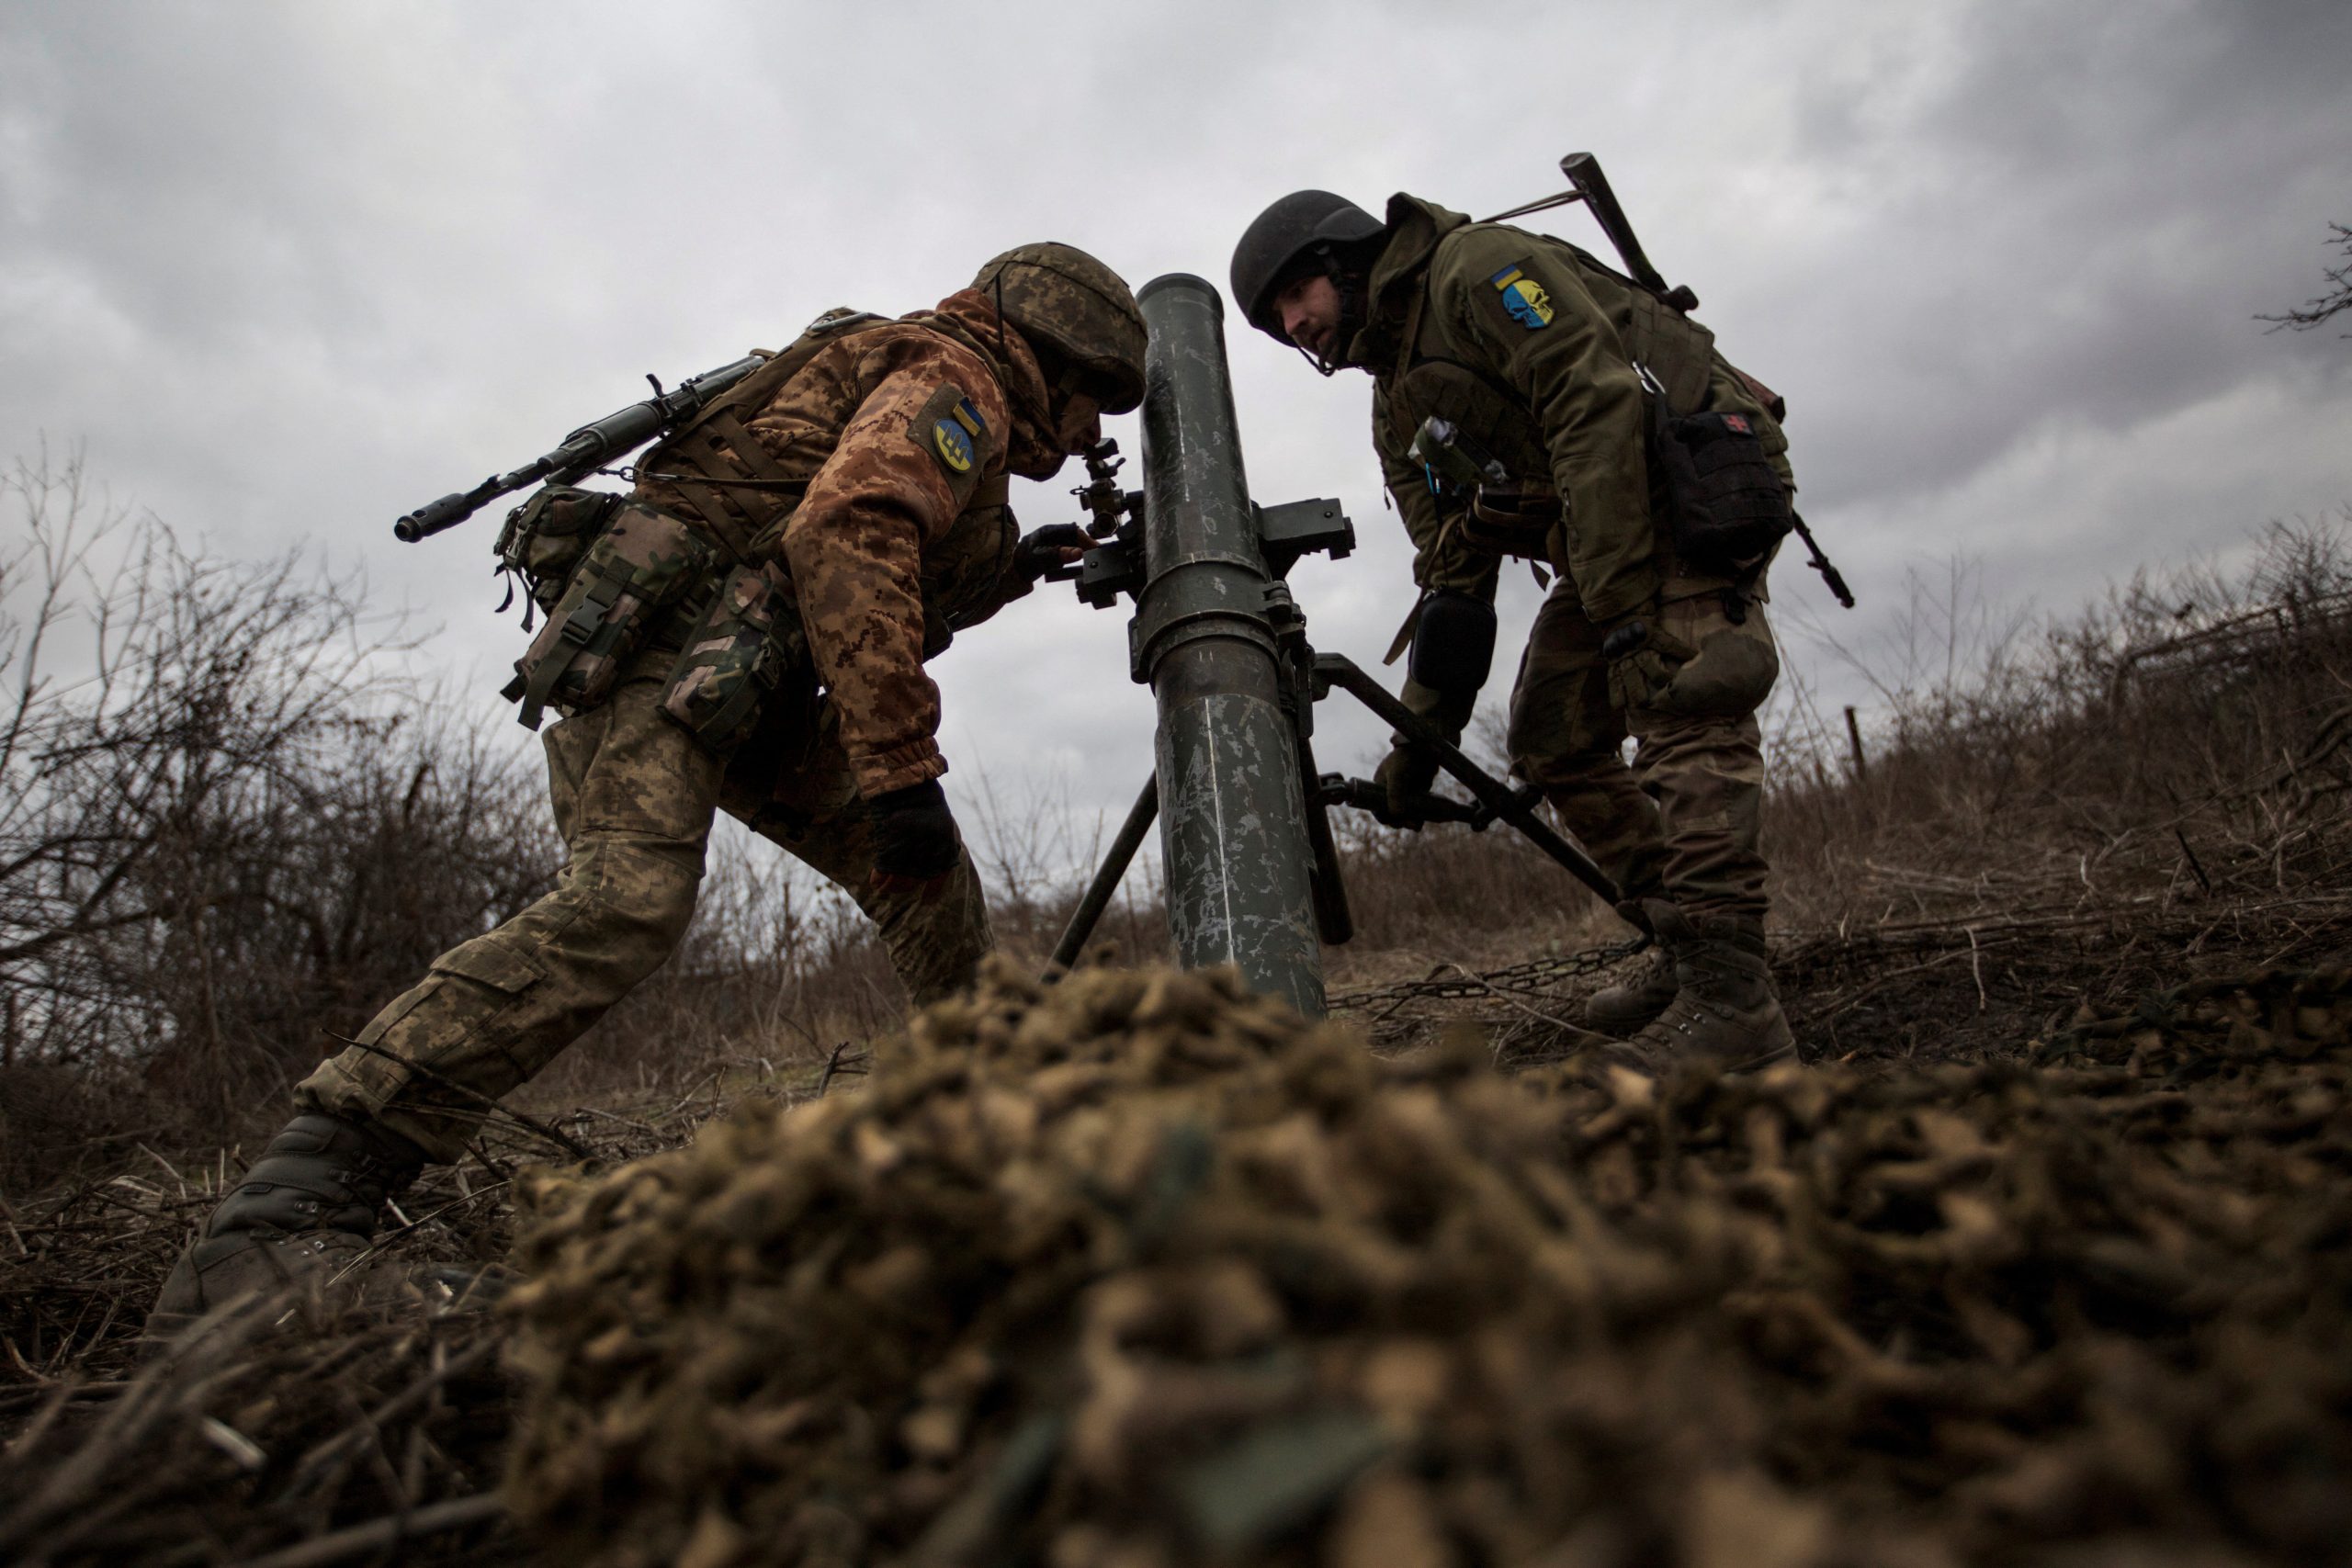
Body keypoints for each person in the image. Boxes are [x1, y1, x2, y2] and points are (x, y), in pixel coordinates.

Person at [149, 244, 1147, 1333]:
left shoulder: (948, 404)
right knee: (625, 900)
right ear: (1054, 350)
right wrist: (900, 767)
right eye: (1096, 395)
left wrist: (1007, 566)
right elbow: (847, 535)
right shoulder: (953, 379)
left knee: (927, 887)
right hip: (665, 640)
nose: (1093, 430)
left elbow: (863, 563)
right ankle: (280, 1217)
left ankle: (992, 1146)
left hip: (739, 668)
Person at [1229, 189, 1794, 1067]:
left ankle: (1738, 1010)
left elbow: (1595, 401)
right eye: (1276, 319)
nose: (1295, 322)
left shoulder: (1477, 269)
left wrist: (1616, 613)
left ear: (1345, 259)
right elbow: (1452, 574)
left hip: (1685, 492)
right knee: (1554, 735)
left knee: (1681, 697)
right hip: (1606, 540)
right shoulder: (1396, 408)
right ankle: (1692, 955)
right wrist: (1416, 750)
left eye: (1298, 293)